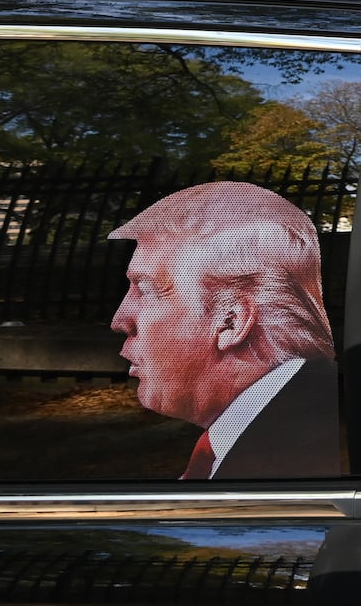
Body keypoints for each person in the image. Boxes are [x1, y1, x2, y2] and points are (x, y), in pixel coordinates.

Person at [108, 182, 340, 481]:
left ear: (231, 321)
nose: (119, 320)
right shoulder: (302, 421)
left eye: (146, 289)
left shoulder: (292, 454)